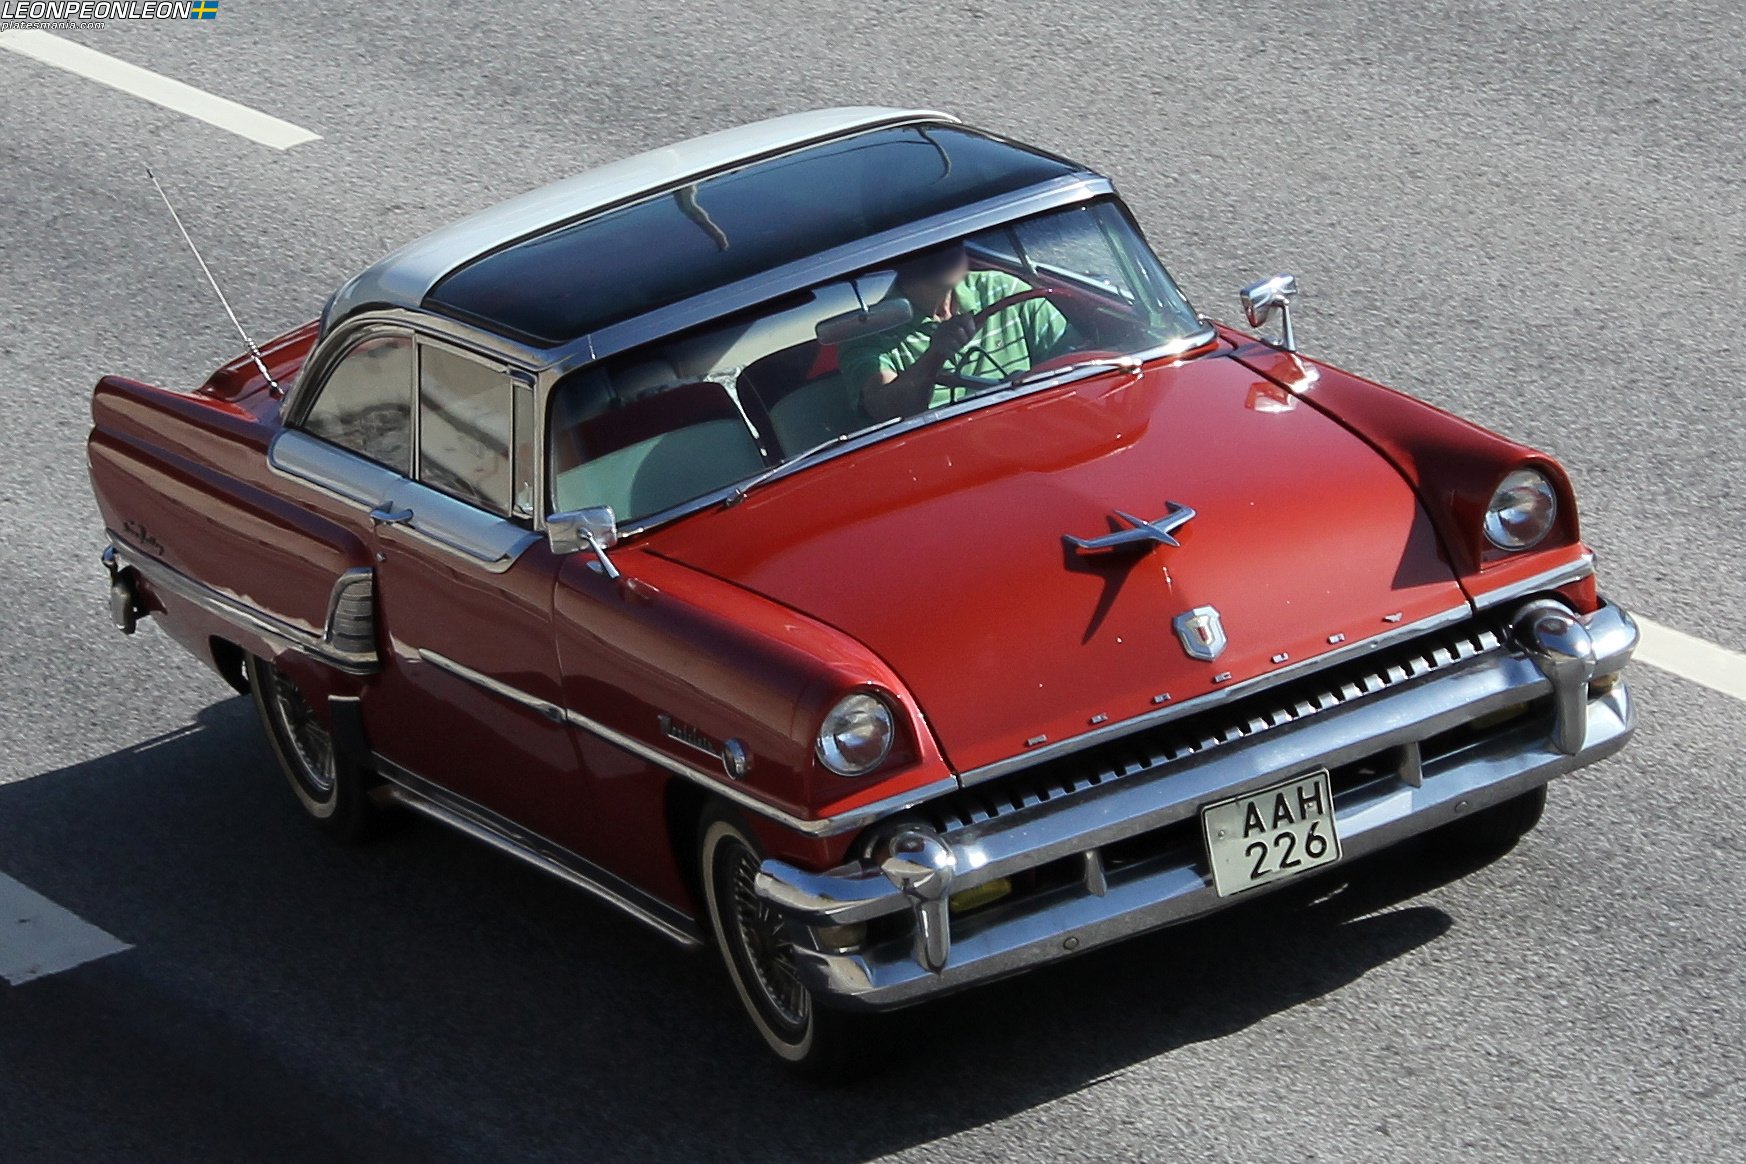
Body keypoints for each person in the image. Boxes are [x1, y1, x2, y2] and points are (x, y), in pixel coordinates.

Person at [841, 242, 1073, 421]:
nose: (945, 251)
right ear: (899, 255)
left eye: (950, 238)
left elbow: (1075, 361)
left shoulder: (1004, 290)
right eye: (927, 245)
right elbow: (886, 409)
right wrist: (935, 355)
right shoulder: (868, 330)